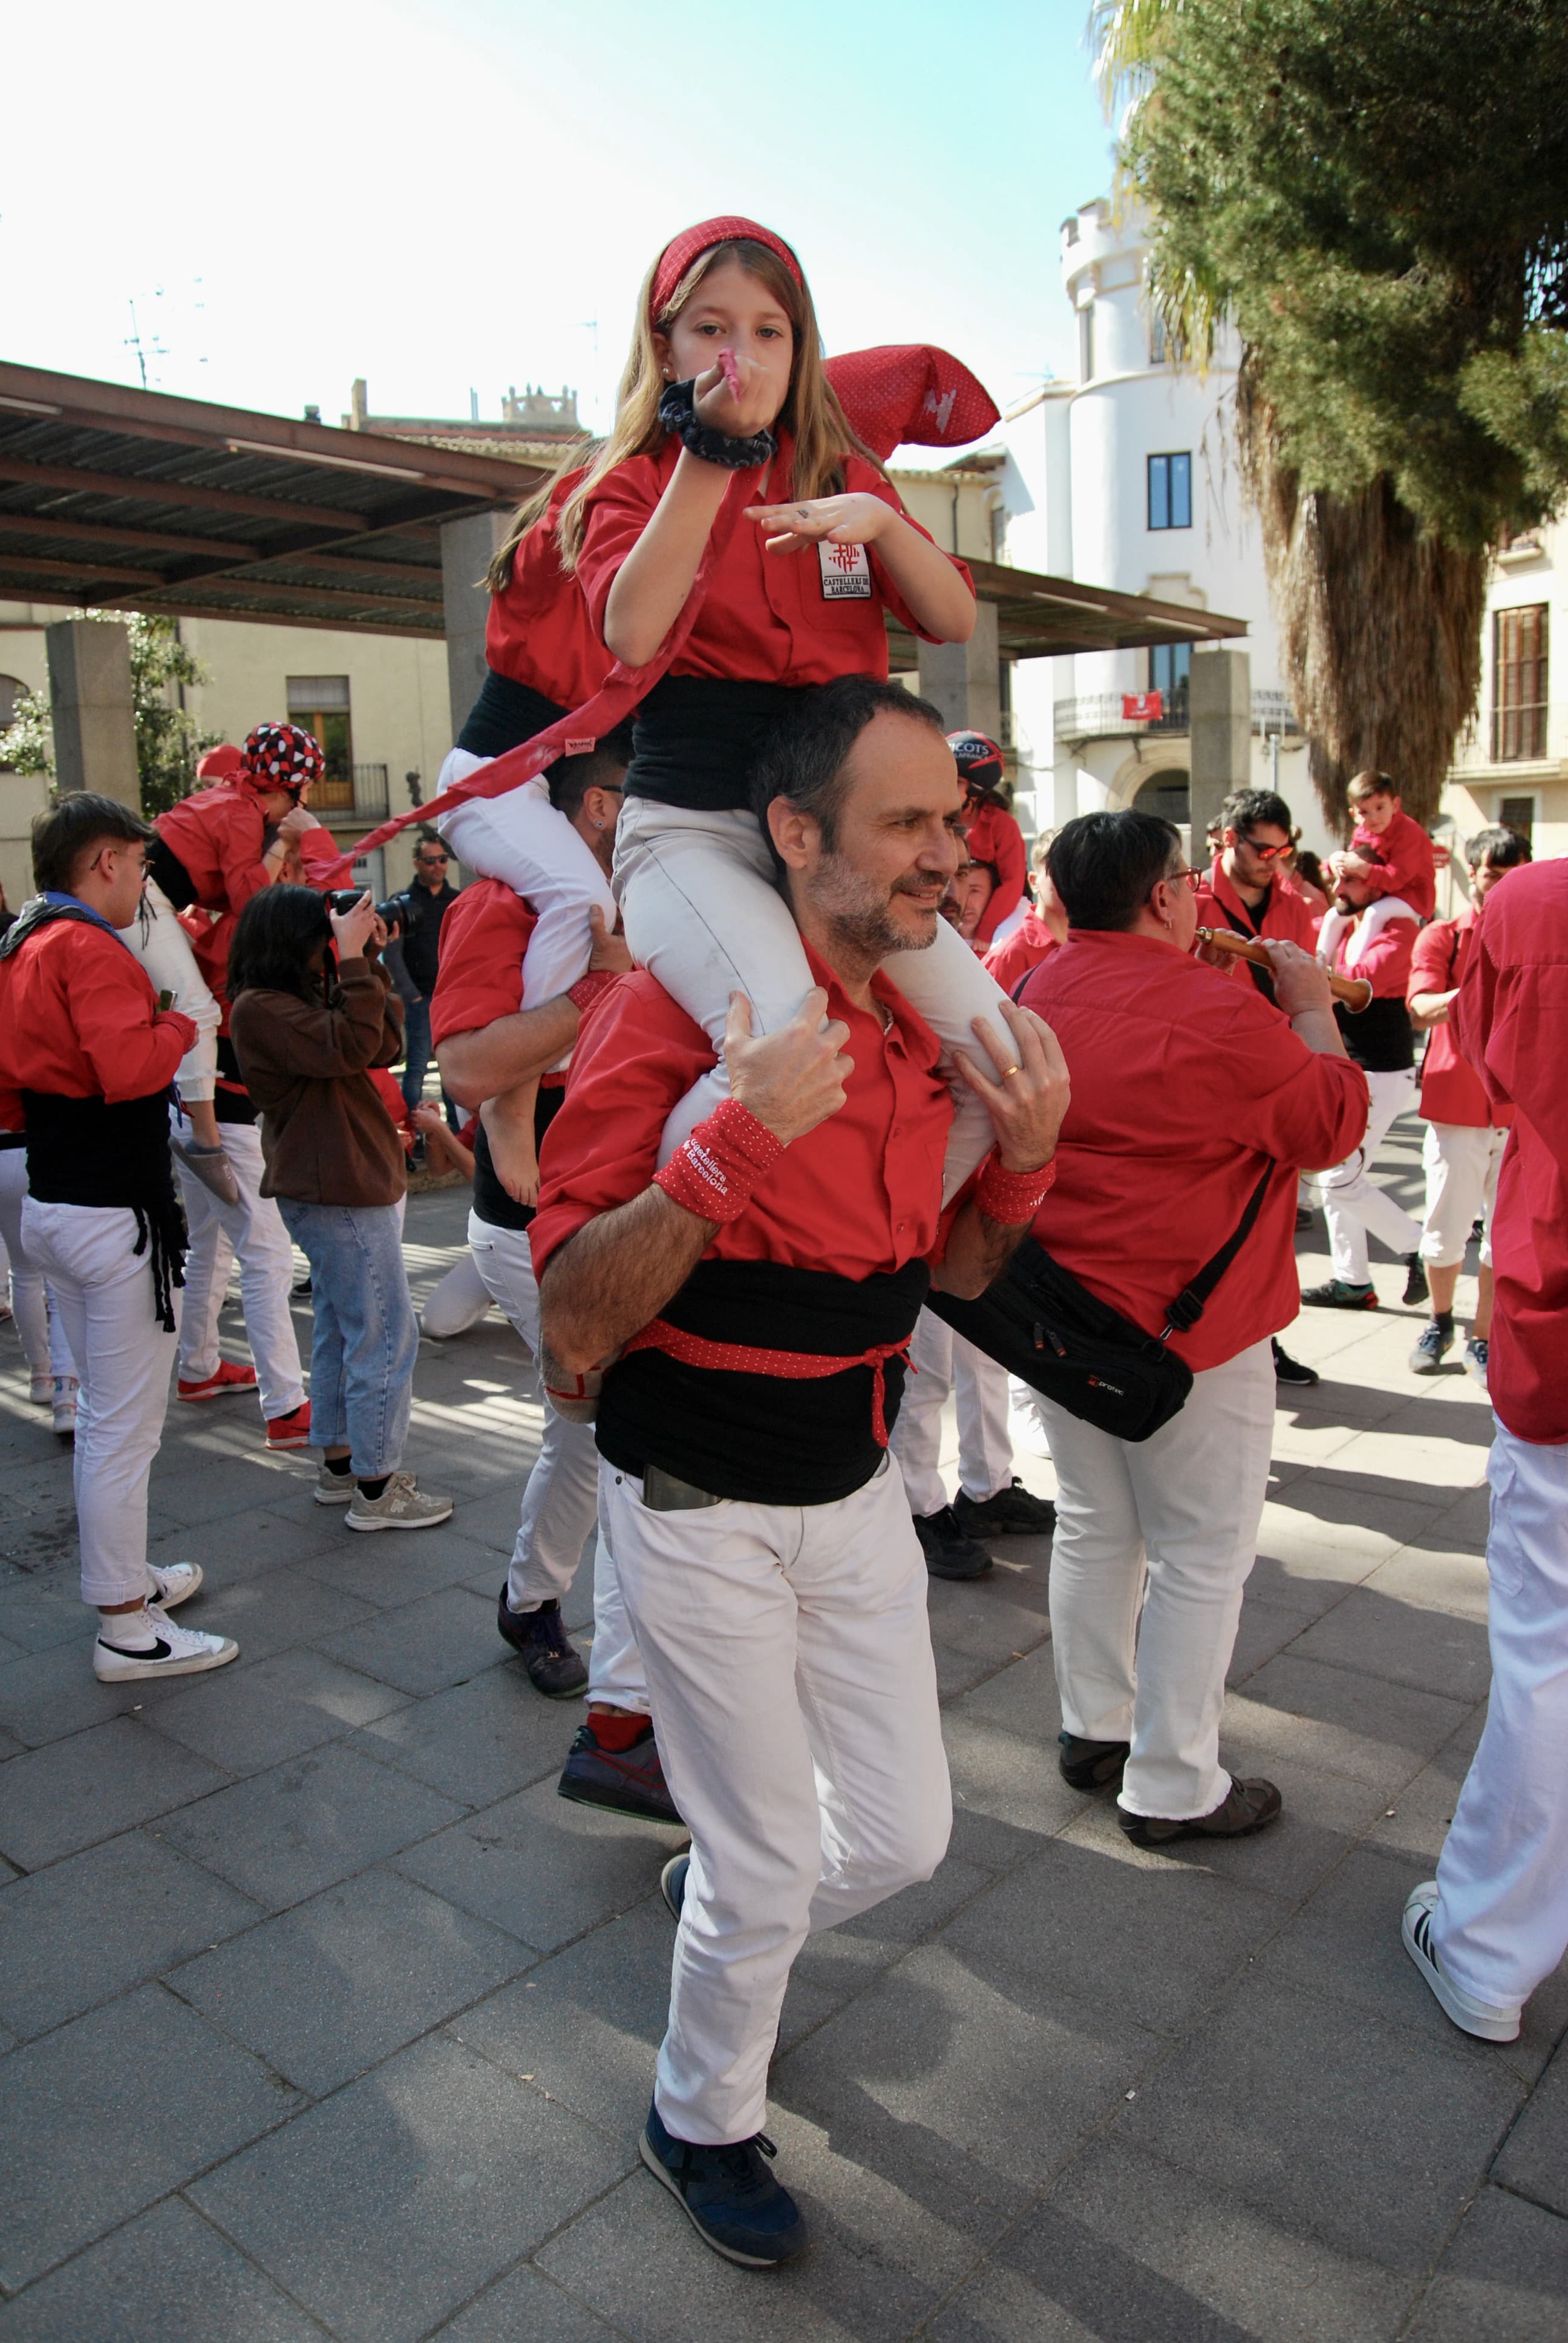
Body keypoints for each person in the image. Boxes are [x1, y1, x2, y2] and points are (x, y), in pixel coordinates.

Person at [532, 677, 1068, 2267]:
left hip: (854, 1501)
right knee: (768, 1857)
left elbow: (951, 1279)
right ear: (794, 835)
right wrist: (727, 1144)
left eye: (952, 822)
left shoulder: (919, 1036)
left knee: (899, 1839)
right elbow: (572, 1325)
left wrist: (1026, 1166)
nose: (949, 856)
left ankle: (730, 1920)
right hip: (695, 1508)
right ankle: (698, 2114)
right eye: (905, 823)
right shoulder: (666, 1022)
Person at [1016, 810, 1365, 1843]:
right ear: (1167, 895)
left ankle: (1095, 1728)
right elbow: (1331, 1124)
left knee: (1095, 1524)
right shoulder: (1214, 1010)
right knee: (1200, 1556)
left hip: (1059, 1314)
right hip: (1189, 1329)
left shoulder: (1032, 988)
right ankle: (1171, 1782)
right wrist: (1311, 1006)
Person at [434, 742, 680, 1821]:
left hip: (605, 1217)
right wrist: (603, 984)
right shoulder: (502, 903)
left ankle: (539, 1610)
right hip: (533, 1224)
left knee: (592, 1441)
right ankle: (617, 1704)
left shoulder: (636, 896)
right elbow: (471, 1069)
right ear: (600, 805)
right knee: (613, 1443)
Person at [0, 794, 238, 1682]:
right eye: (140, 865)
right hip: (111, 1214)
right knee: (122, 1430)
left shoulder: (22, 940)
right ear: (105, 861)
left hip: (63, 1203)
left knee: (108, 1419)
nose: (145, 882)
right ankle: (126, 1627)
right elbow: (129, 1067)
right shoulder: (84, 945)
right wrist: (175, 1019)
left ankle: (126, 1584)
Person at [1401, 851, 1568, 2046]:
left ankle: (1486, 1946)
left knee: (1549, 1656)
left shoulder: (1534, 906)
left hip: (1558, 1318)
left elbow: (1501, 1072)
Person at [229, 885, 452, 1533]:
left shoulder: (298, 997)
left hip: (339, 1181)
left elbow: (383, 1045)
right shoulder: (260, 1007)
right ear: (292, 940)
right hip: (338, 1187)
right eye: (323, 934)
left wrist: (368, 961)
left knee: (340, 1328)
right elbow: (352, 1044)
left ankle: (341, 1466)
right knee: (385, 1334)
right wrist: (352, 960)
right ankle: (378, 1489)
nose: (329, 943)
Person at [893, 853, 1057, 1578]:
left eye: (968, 876)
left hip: (974, 1201)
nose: (957, 890)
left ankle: (987, 1485)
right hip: (918, 1203)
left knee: (985, 1356)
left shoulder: (962, 961)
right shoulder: (907, 962)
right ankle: (916, 1506)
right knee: (924, 1370)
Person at [124, 723, 330, 1200]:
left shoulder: (236, 800)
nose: (307, 800)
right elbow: (248, 900)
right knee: (197, 1008)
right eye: (306, 789)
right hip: (144, 900)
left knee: (183, 1003)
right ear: (290, 787)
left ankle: (194, 1125)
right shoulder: (243, 813)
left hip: (148, 897)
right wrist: (284, 844)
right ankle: (205, 1141)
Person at [171, 855, 313, 1448]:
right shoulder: (241, 926)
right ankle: (285, 1404)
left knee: (212, 1244)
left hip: (193, 1110)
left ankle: (198, 1365)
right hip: (223, 1116)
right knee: (267, 1255)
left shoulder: (191, 926)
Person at [1193, 787, 1322, 1386]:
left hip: (1275, 1072)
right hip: (1209, 1077)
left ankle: (1265, 1339)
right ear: (1229, 839)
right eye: (1263, 849)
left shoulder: (1294, 907)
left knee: (1271, 1220)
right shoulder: (1192, 898)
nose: (1273, 860)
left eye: (1282, 850)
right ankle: (1210, 1334)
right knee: (1214, 1217)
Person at [1405, 825, 1532, 1382]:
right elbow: (1420, 1008)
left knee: (1505, 1237)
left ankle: (1482, 1337)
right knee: (1444, 1229)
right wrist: (1482, 990)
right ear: (1473, 875)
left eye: (1512, 878)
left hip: (1519, 1110)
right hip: (1458, 1106)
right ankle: (1440, 1322)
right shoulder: (1443, 935)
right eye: (1492, 877)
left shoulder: (1539, 936)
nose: (1501, 888)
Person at [1301, 861, 1428, 1311]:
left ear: (1377, 884)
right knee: (1341, 1176)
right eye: (1337, 878)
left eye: (1351, 879)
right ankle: (1353, 1282)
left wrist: (1307, 974)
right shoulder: (1341, 924)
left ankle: (1421, 1247)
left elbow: (1356, 982)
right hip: (1354, 1069)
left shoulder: (1400, 930)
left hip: (1381, 1072)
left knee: (1339, 1179)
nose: (1339, 887)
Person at [389, 836, 461, 1131]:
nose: (438, 866)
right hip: (421, 999)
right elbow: (393, 954)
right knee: (417, 1067)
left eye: (443, 859)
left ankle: (456, 1132)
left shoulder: (457, 900)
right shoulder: (403, 903)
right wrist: (412, 995)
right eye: (430, 861)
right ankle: (414, 1133)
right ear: (417, 864)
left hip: (452, 999)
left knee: (452, 1067)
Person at [947, 731, 1026, 948]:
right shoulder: (939, 819)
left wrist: (987, 930)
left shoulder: (1002, 824)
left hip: (1000, 915)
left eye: (956, 782)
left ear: (976, 789)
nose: (945, 788)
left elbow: (1013, 881)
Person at [1328, 769, 1439, 922]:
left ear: (1395, 805)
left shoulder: (1409, 833)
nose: (1374, 817)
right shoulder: (1361, 833)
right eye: (1364, 812)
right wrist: (1335, 862)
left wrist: (1365, 870)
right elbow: (1352, 866)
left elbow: (1396, 878)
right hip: (1378, 895)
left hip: (1413, 898)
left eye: (1380, 808)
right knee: (1333, 916)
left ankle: (1365, 940)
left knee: (1375, 914)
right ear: (1353, 815)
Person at [985, 831, 1066, 995]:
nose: (1072, 881)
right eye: (1060, 872)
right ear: (1034, 882)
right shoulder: (1010, 955)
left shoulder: (1091, 944)